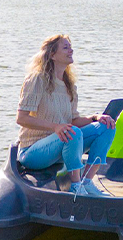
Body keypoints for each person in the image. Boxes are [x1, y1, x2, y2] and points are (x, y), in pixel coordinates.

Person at [15, 34, 116, 196]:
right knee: (71, 131)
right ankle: (76, 186)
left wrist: (95, 117)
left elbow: (73, 121)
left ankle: (87, 182)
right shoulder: (36, 79)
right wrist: (55, 127)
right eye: (66, 47)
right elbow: (22, 118)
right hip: (33, 151)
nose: (71, 50)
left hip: (63, 145)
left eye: (70, 46)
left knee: (107, 127)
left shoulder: (69, 85)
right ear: (52, 55)